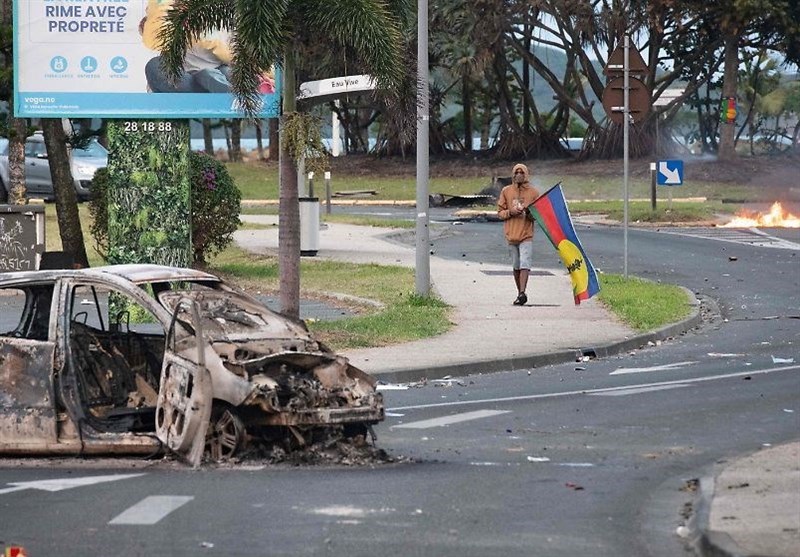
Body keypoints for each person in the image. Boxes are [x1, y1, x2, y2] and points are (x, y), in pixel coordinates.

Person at [497, 163, 540, 306]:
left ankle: (523, 292)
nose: (519, 175)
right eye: (517, 172)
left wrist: (529, 213)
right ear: (513, 175)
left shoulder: (533, 193)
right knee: (516, 266)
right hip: (511, 234)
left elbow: (538, 215)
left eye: (522, 172)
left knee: (525, 264)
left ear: (526, 174)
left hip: (526, 234)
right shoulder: (506, 191)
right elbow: (500, 212)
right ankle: (519, 293)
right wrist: (511, 212)